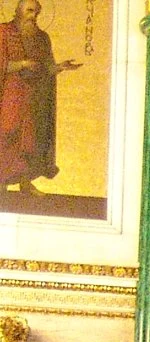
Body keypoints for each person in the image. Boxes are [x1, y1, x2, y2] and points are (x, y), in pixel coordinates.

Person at [0, 0, 77, 196]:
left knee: (31, 139)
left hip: (34, 96)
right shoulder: (3, 32)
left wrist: (60, 67)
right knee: (8, 134)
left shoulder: (42, 38)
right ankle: (2, 183)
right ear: (18, 11)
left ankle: (25, 183)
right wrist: (23, 64)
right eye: (29, 11)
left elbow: (45, 67)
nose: (33, 16)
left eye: (37, 12)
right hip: (10, 93)